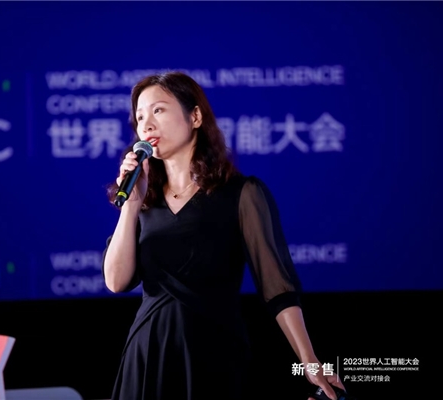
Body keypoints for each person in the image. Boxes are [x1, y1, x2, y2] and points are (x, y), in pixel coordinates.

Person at [101, 71, 345, 400]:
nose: (147, 125)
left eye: (158, 110)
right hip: (149, 354)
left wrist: (309, 361)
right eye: (140, 117)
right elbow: (116, 282)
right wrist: (131, 206)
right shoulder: (142, 201)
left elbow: (277, 289)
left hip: (215, 353)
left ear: (195, 116)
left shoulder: (241, 193)